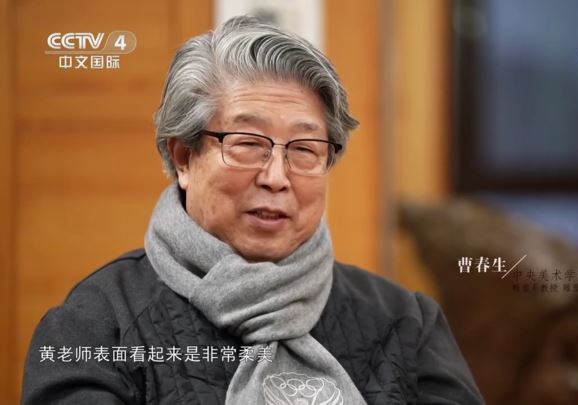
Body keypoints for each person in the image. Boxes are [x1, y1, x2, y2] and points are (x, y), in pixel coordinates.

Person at [21, 16, 484, 405]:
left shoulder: (407, 324)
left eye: (305, 149)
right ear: (183, 158)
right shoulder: (97, 324)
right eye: (247, 144)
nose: (277, 177)